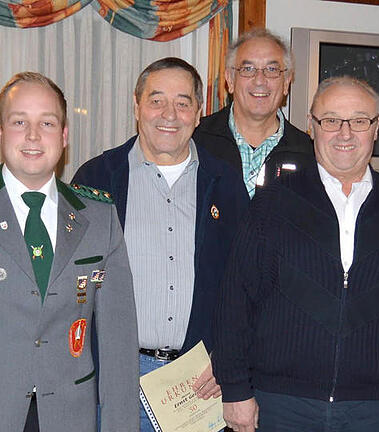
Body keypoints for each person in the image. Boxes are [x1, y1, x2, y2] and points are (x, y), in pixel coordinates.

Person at [214, 76, 379, 432]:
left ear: (376, 127)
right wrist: (235, 389)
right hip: (279, 405)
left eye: (359, 120)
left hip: (371, 409)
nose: (344, 133)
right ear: (312, 126)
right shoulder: (274, 202)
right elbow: (235, 301)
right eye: (331, 120)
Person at [72, 57, 248, 431]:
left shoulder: (226, 185)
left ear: (198, 113)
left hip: (199, 385)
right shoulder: (95, 179)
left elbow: (248, 286)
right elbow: (71, 286)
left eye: (183, 102)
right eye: (157, 100)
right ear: (136, 106)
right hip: (115, 382)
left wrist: (229, 359)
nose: (170, 114)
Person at [0, 72, 138, 431]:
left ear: (63, 137)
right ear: (1, 132)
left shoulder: (99, 219)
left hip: (69, 418)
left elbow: (119, 348)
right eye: (19, 122)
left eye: (46, 123)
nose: (33, 136)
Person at [193, 28, 314, 198]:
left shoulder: (309, 153)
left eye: (272, 70)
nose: (259, 80)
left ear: (286, 82)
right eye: (248, 69)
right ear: (230, 80)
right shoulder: (195, 141)